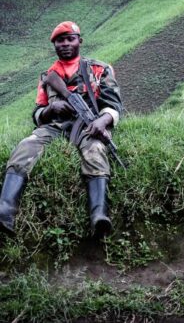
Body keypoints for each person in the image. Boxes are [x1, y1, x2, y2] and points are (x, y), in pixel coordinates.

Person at [0, 21, 122, 238]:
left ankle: (99, 215)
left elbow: (113, 105)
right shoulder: (49, 77)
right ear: (54, 45)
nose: (65, 44)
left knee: (95, 150)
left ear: (79, 41)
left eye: (70, 39)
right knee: (25, 147)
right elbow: (37, 113)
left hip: (88, 126)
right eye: (60, 40)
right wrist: (51, 108)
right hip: (55, 126)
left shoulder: (99, 69)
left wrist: (101, 122)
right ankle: (5, 212)